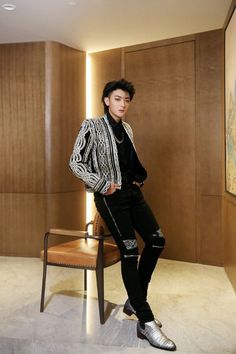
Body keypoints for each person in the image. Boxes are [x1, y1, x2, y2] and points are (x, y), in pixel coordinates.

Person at [69, 78, 176, 351]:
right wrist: (103, 184)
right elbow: (75, 162)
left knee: (157, 240)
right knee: (130, 251)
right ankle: (146, 320)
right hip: (109, 197)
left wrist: (138, 178)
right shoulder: (91, 126)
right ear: (106, 100)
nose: (123, 104)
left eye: (126, 100)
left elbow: (130, 161)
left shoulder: (127, 128)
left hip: (132, 194)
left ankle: (134, 299)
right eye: (118, 98)